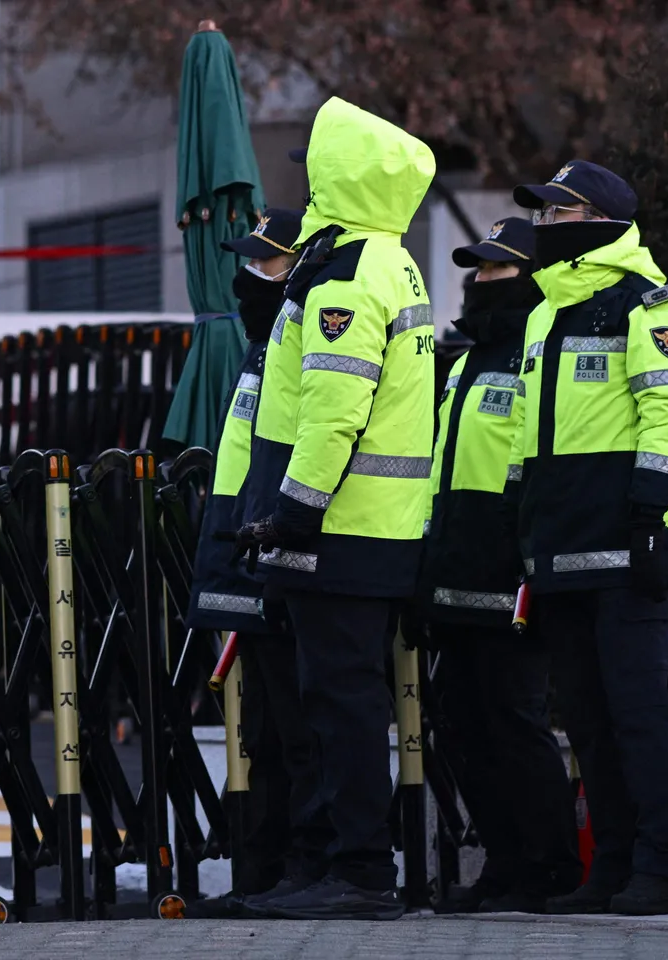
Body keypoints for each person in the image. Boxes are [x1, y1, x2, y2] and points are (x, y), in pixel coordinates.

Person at [231, 97, 437, 921]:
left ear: (341, 179)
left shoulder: (345, 272)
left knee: (341, 708)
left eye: (315, 168)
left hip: (339, 529)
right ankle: (334, 864)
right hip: (370, 527)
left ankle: (358, 872)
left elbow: (333, 410)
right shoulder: (386, 260)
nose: (306, 181)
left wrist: (294, 511)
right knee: (340, 703)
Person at [505, 160, 668, 915]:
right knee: (584, 715)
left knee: (636, 710)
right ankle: (612, 866)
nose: (546, 225)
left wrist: (650, 513)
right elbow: (530, 433)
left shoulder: (649, 303)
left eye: (561, 213)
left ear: (604, 221)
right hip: (560, 541)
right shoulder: (546, 311)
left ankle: (661, 870)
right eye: (545, 214)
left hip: (631, 541)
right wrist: (519, 516)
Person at [423, 217, 578, 914]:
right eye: (479, 269)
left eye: (499, 269)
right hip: (454, 572)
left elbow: (538, 470)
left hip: (510, 577)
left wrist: (531, 562)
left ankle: (550, 867)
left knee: (516, 722)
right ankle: (504, 864)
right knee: (463, 724)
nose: (482, 281)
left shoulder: (537, 357)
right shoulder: (463, 362)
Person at [184, 209, 334, 918]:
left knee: (302, 733)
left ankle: (308, 868)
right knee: (267, 735)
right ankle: (267, 872)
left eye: (265, 264)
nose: (248, 278)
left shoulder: (301, 349)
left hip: (289, 555)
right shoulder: (258, 350)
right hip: (250, 557)